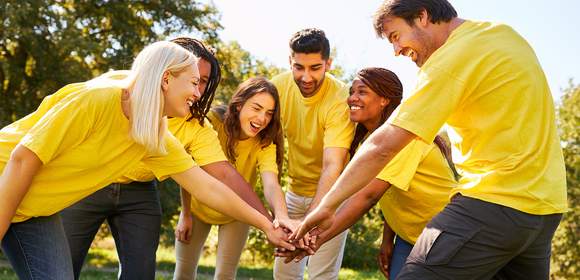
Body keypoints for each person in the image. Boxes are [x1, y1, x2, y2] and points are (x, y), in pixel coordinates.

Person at [292, 0, 567, 279]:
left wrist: (326, 206)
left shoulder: (452, 58)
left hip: (495, 202)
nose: (397, 51)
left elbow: (382, 146)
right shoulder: (503, 35)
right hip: (545, 209)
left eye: (396, 37)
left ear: (422, 16)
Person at [0, 41, 294, 280]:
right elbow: (23, 160)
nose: (197, 93)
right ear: (166, 78)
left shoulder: (154, 136)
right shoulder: (100, 99)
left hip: (34, 211)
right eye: (193, 82)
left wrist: (267, 226)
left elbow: (208, 187)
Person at [275, 67, 458, 279]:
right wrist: (388, 240)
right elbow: (394, 191)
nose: (352, 98)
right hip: (408, 237)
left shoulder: (404, 139)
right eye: (351, 92)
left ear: (384, 100)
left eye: (361, 92)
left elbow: (367, 196)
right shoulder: (369, 144)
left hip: (444, 232)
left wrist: (315, 240)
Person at [173, 77, 294, 280]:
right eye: (256, 108)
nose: (262, 118)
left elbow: (271, 184)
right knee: (183, 273)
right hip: (199, 208)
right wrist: (185, 214)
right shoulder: (211, 123)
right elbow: (189, 170)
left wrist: (281, 217)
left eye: (269, 113)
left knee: (225, 275)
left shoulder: (265, 142)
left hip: (238, 214)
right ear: (238, 105)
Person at [271, 28, 355, 279]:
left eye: (315, 68)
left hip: (332, 197)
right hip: (294, 194)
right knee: (284, 273)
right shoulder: (278, 87)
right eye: (299, 67)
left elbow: (333, 164)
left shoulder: (340, 97)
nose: (306, 77)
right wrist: (279, 210)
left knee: (322, 275)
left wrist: (314, 217)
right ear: (290, 62)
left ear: (328, 64)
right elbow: (267, 148)